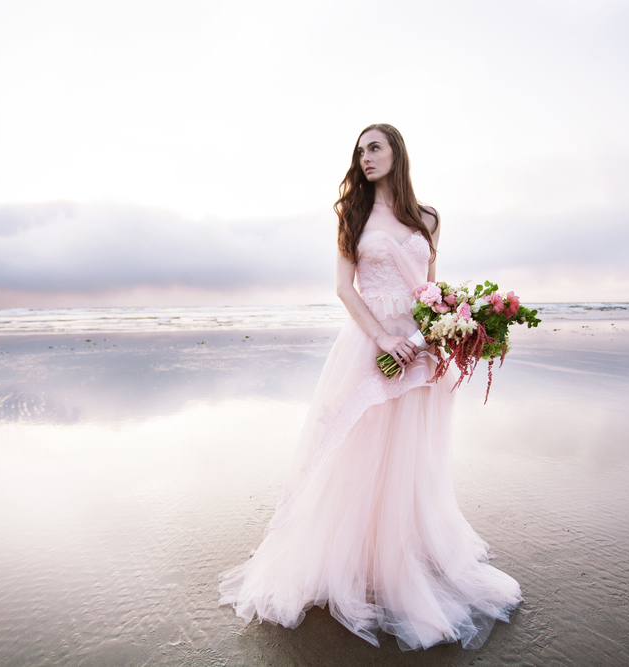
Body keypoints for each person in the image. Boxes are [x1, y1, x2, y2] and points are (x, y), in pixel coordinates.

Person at [219, 124, 522, 651]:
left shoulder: (428, 217)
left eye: (374, 148)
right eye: (359, 151)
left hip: (419, 347)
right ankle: (351, 560)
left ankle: (399, 555)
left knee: (408, 453)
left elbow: (430, 286)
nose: (365, 158)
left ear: (396, 152)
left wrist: (449, 327)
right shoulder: (351, 215)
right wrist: (382, 337)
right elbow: (343, 287)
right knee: (357, 450)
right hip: (371, 343)